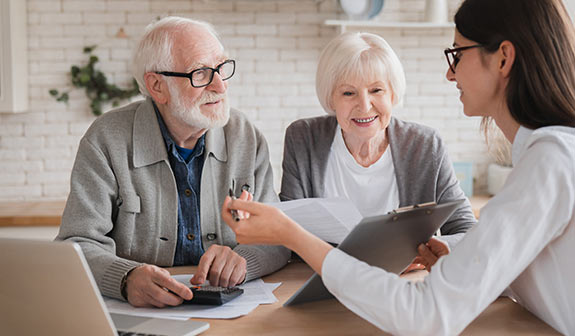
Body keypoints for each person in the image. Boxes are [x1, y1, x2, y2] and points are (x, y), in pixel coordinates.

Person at [223, 0, 575, 334]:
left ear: (503, 59)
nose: (450, 74)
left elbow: (425, 317)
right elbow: (533, 270)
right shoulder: (552, 155)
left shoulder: (550, 161)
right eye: (348, 93)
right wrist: (461, 259)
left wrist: (290, 232)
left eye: (457, 54)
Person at [56, 17, 290, 308]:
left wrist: (244, 260)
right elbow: (76, 244)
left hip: (232, 310)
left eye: (221, 68)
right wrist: (126, 278)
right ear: (157, 86)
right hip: (137, 312)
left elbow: (279, 236)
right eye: (201, 73)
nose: (220, 85)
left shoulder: (247, 137)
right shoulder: (105, 140)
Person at [280, 31, 475, 261]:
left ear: (392, 94)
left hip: (403, 286)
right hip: (328, 281)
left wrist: (424, 251)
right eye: (348, 92)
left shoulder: (426, 146)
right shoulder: (303, 139)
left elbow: (467, 230)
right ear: (331, 98)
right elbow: (287, 235)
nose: (364, 106)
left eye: (376, 90)